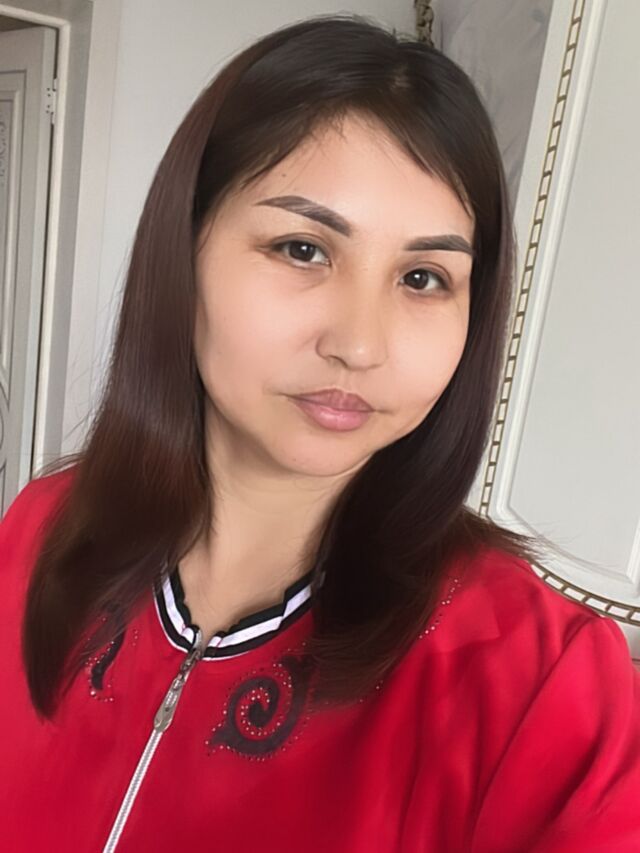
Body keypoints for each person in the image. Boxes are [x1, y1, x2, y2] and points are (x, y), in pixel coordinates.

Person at [1, 13, 639, 853]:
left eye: (423, 277)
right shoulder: (44, 525)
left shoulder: (537, 683)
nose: (360, 344)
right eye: (303, 249)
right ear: (183, 252)